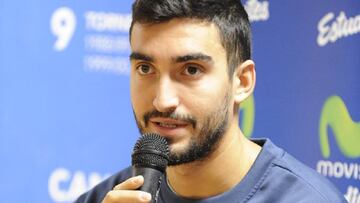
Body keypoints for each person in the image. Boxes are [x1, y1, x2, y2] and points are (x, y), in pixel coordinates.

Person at [75, 0, 347, 202]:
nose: (162, 100)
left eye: (191, 70)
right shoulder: (111, 196)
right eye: (145, 68)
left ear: (242, 82)